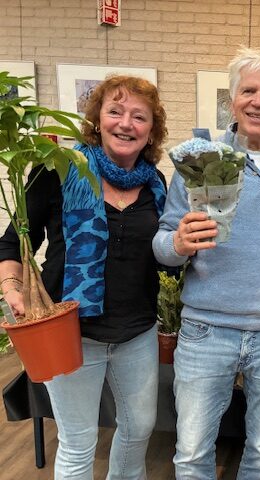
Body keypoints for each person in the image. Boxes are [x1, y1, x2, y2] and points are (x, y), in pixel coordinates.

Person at [152, 46, 260, 480]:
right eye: (249, 91)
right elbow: (162, 245)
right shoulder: (201, 159)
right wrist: (179, 243)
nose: (258, 101)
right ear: (232, 100)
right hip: (207, 329)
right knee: (192, 453)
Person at [0, 75, 168, 479]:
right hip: (70, 332)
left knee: (138, 430)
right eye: (115, 111)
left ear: (151, 132)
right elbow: (11, 243)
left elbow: (164, 259)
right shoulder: (59, 170)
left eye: (139, 116)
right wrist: (12, 288)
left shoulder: (156, 184)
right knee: (78, 441)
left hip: (137, 333)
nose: (126, 123)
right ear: (97, 120)